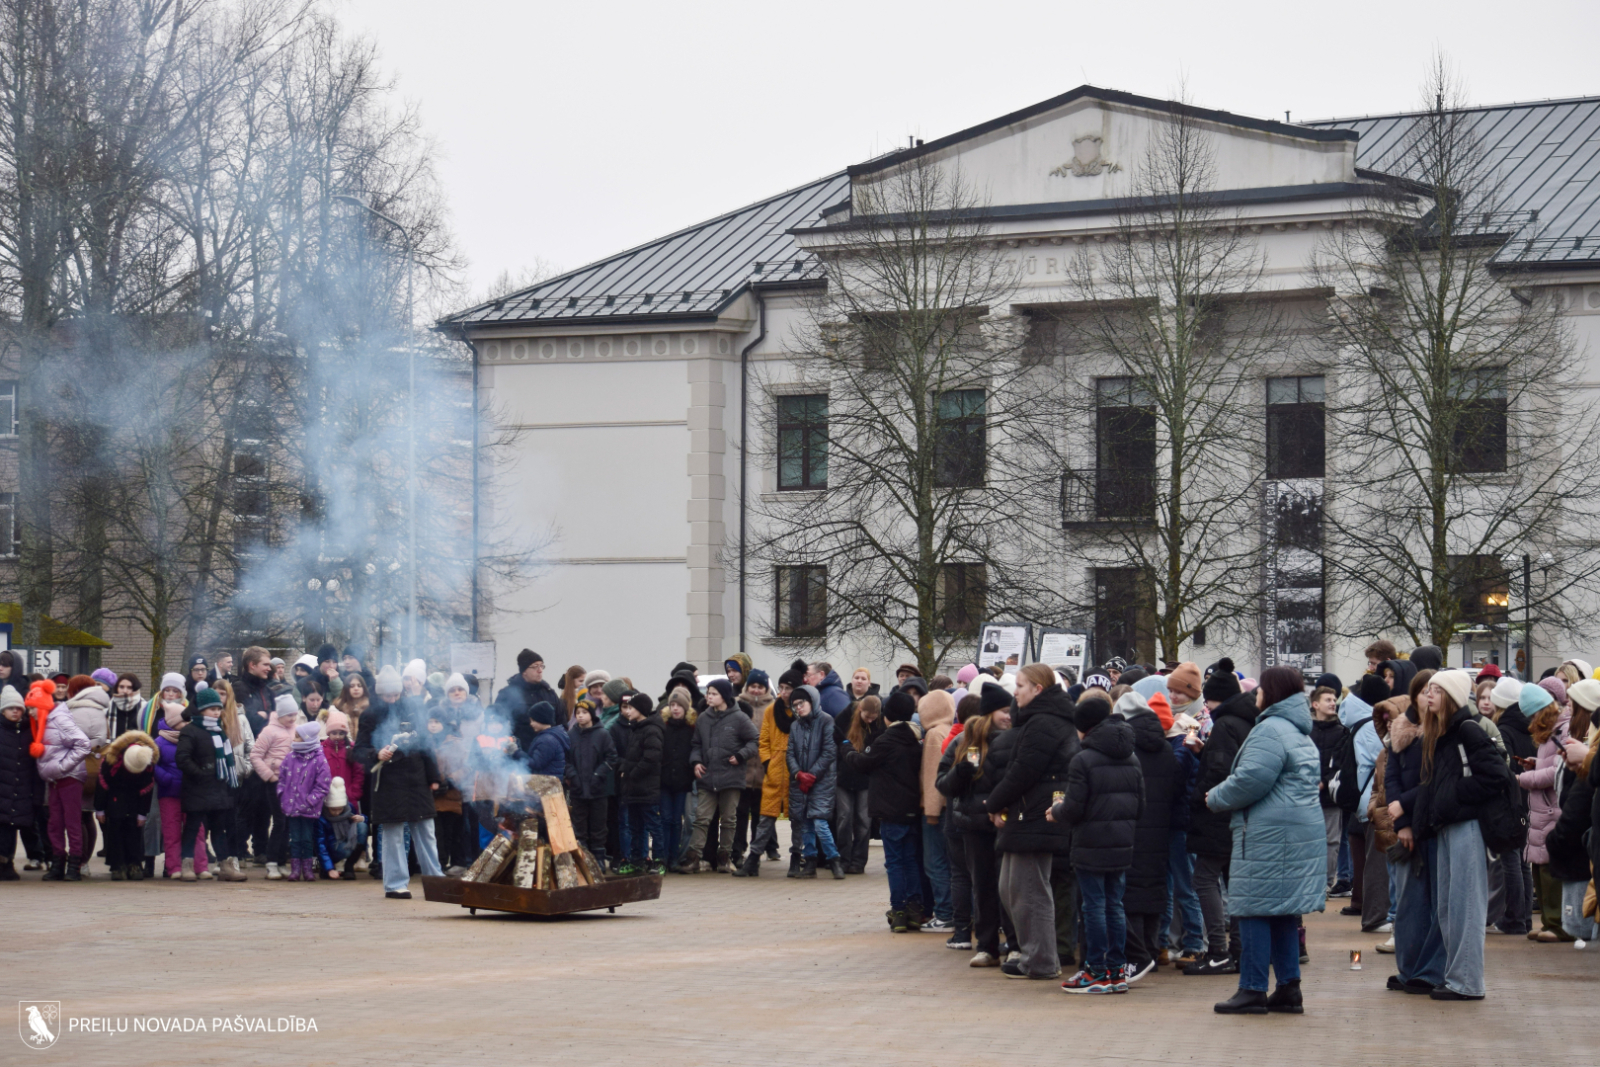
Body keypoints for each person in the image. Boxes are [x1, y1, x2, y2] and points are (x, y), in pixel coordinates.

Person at [1206, 666, 1325, 1015]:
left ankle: (1253, 987)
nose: (1254, 695)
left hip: (1270, 834)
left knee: (1254, 908)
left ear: (1271, 693)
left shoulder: (1270, 730)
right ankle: (1289, 987)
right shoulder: (1299, 729)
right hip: (1296, 830)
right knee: (1284, 912)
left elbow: (1249, 780)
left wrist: (1214, 796)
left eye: (1259, 689)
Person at [1408, 669, 1510, 1000]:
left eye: (1436, 689)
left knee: (1466, 905)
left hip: (1467, 826)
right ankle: (1455, 976)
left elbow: (1497, 775)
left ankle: (1467, 982)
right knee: (1448, 907)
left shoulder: (1467, 730)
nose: (1429, 694)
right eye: (1428, 689)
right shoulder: (1439, 734)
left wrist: (1455, 794)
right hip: (1447, 826)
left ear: (1451, 696)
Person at [982, 663, 1080, 978]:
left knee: (1030, 891)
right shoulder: (1043, 720)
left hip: (1035, 815)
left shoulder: (1045, 723)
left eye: (1021, 686)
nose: (1016, 692)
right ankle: (1033, 954)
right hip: (1028, 813)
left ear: (1038, 689)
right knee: (1014, 888)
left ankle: (1040, 960)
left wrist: (994, 802)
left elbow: (1023, 770)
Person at [1051, 692, 1142, 994]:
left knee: (1093, 906)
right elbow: (1141, 805)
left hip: (1090, 843)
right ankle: (1116, 970)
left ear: (1084, 727)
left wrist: (1057, 812)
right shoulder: (1131, 756)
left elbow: (1074, 808)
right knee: (1115, 905)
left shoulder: (1083, 760)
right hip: (1122, 842)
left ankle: (1095, 969)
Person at [1184, 672, 1259, 974]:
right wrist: (1205, 753)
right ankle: (1238, 950)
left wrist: (1196, 798)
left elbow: (1221, 771)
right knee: (1234, 882)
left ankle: (1218, 949)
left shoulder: (1225, 725)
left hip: (1217, 816)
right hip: (1238, 816)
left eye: (1208, 699)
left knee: (1203, 878)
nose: (1206, 706)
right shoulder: (1246, 721)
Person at [937, 683, 1014, 966]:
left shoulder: (1015, 740)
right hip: (974, 827)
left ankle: (1014, 944)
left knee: (1008, 887)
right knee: (982, 887)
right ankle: (987, 946)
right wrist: (961, 772)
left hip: (1007, 826)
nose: (1009, 716)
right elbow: (943, 784)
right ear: (990, 713)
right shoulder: (963, 743)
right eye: (1005, 711)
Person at [353, 679, 445, 900]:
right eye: (387, 696)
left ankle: (436, 880)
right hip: (388, 780)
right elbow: (358, 750)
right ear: (379, 694)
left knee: (426, 830)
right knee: (392, 834)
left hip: (416, 778)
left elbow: (426, 745)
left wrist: (434, 777)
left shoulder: (414, 710)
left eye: (395, 695)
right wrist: (376, 754)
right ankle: (395, 884)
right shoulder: (369, 715)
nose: (392, 700)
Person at [844, 689, 926, 931]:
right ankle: (914, 908)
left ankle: (898, 909)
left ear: (888, 716)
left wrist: (847, 751)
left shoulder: (886, 740)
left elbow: (863, 763)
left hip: (891, 811)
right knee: (911, 860)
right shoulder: (915, 739)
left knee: (895, 862)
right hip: (912, 809)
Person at [1115, 691, 1177, 982]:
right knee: (1155, 888)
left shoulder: (1126, 750)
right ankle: (1153, 949)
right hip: (1161, 829)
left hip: (1132, 827)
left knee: (1132, 893)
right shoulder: (1165, 748)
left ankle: (1136, 954)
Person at [678, 678, 757, 874]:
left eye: (713, 694)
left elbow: (754, 741)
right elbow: (696, 744)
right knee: (701, 819)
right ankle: (694, 858)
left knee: (729, 819)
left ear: (724, 696)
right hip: (708, 777)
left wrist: (740, 756)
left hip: (731, 777)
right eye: (708, 693)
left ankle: (724, 858)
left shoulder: (739, 718)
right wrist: (696, 762)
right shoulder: (704, 718)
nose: (709, 697)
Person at [1515, 679, 1573, 941]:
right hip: (1543, 809)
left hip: (1551, 809)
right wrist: (1534, 764)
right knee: (1539, 865)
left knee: (1549, 867)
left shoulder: (1563, 730)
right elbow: (1549, 764)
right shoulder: (1552, 730)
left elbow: (1557, 770)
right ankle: (1550, 922)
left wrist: (1523, 778)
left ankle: (1558, 924)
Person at [174, 686, 248, 882]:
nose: (216, 712)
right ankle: (187, 865)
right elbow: (182, 758)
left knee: (219, 828)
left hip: (219, 789)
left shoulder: (219, 732)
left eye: (218, 708)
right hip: (197, 789)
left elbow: (227, 759)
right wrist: (201, 773)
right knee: (192, 828)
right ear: (200, 709)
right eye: (211, 708)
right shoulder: (190, 730)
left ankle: (225, 866)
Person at [33, 679, 90, 881]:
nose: (29, 713)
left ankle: (74, 865)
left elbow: (83, 744)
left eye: (32, 708)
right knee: (54, 823)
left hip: (70, 778)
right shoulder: (41, 722)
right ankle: (58, 863)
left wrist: (62, 767)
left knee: (72, 822)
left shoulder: (58, 719)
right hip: (54, 780)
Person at [786, 684, 844, 879]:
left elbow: (829, 752)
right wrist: (797, 774)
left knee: (819, 823)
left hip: (822, 782)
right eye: (794, 706)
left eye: (801, 703)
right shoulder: (795, 726)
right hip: (800, 782)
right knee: (805, 824)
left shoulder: (827, 721)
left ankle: (834, 859)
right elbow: (790, 754)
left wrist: (811, 775)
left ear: (811, 701)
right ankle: (809, 862)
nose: (798, 708)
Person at [152, 693, 204, 880]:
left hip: (190, 793)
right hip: (169, 793)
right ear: (174, 722)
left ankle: (200, 866)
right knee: (171, 831)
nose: (187, 724)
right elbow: (153, 765)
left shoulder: (191, 739)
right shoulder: (158, 742)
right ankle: (173, 867)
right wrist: (166, 779)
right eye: (184, 721)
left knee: (197, 830)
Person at [918, 689, 958, 929]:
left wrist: (931, 811)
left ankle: (944, 914)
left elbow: (933, 776)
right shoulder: (948, 731)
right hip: (948, 810)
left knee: (935, 863)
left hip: (937, 812)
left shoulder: (934, 734)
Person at [95, 730, 157, 880]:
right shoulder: (111, 761)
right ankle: (117, 865)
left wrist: (143, 813)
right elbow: (102, 785)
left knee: (135, 830)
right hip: (115, 796)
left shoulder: (147, 764)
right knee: (115, 830)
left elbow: (146, 790)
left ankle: (134, 863)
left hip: (135, 798)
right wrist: (100, 809)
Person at [250, 695, 300, 880]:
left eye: (295, 715)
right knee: (279, 821)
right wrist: (269, 776)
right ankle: (271, 862)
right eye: (289, 715)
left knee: (287, 822)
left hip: (292, 783)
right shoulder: (268, 731)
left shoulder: (295, 729)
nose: (292, 719)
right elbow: (255, 755)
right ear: (279, 714)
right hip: (274, 782)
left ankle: (281, 861)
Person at [276, 721, 332, 882]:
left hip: (309, 808)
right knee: (295, 839)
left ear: (307, 738)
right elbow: (282, 778)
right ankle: (295, 870)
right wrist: (282, 795)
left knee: (306, 839)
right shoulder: (290, 757)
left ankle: (307, 870)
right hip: (292, 807)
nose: (294, 739)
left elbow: (323, 784)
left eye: (298, 736)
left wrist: (310, 801)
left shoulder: (319, 759)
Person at [565, 701, 618, 867]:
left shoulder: (602, 734)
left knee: (598, 825)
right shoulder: (571, 735)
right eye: (577, 712)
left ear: (592, 715)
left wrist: (598, 775)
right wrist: (573, 777)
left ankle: (599, 858)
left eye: (584, 712)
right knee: (579, 824)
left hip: (598, 789)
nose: (580, 715)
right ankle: (582, 858)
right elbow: (566, 760)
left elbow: (611, 757)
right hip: (578, 789)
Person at [833, 694, 882, 875]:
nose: (870, 721)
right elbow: (836, 739)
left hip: (866, 779)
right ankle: (843, 859)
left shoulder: (879, 726)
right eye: (867, 717)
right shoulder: (845, 718)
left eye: (873, 718)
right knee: (844, 818)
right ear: (860, 710)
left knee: (863, 820)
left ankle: (859, 861)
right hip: (845, 776)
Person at [616, 693, 665, 874]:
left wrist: (632, 774)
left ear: (641, 710)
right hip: (634, 789)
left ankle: (659, 861)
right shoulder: (636, 728)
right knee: (635, 826)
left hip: (646, 788)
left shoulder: (651, 729)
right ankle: (637, 860)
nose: (628, 711)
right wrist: (624, 768)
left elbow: (651, 758)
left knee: (653, 826)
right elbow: (632, 756)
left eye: (631, 708)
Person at [1308, 685, 1346, 891]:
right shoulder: (1305, 729)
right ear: (1315, 705)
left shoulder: (1341, 731)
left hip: (1330, 795)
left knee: (1331, 840)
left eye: (1334, 699)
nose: (1333, 703)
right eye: (1328, 700)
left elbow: (1342, 764)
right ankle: (1310, 881)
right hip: (1306, 795)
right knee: (1309, 840)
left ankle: (1326, 882)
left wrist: (1324, 781)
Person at [0, 685, 37, 880]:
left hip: (21, 789)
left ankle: (8, 863)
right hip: (3, 790)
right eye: (10, 708)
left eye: (18, 708)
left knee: (13, 826)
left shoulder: (28, 731)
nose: (15, 711)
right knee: (4, 827)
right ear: (3, 710)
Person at [659, 689, 695, 868]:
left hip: (682, 782)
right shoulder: (663, 726)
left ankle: (674, 856)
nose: (675, 709)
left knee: (676, 820)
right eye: (672, 705)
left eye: (679, 705)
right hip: (664, 781)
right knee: (665, 819)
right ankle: (663, 857)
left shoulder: (691, 729)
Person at [315, 776, 367, 880]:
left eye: (340, 809)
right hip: (332, 847)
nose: (337, 813)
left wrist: (362, 818)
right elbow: (320, 844)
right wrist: (329, 868)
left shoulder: (349, 808)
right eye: (333, 810)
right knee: (345, 850)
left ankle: (349, 866)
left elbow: (362, 819)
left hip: (346, 840)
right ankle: (328, 866)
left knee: (362, 826)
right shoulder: (321, 818)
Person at [494, 649, 559, 726]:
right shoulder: (507, 695)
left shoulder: (549, 693)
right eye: (535, 667)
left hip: (547, 738)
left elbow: (561, 722)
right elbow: (498, 722)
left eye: (541, 666)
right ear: (524, 671)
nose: (540, 670)